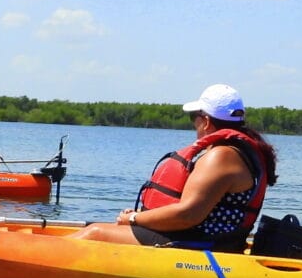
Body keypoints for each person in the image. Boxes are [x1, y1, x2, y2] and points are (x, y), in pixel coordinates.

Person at [77, 83, 277, 252]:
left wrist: (135, 218)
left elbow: (187, 215)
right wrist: (142, 218)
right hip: (205, 240)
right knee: (101, 229)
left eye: (194, 118)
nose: (194, 124)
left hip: (200, 246)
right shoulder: (238, 152)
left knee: (95, 233)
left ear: (206, 121)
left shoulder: (221, 156)